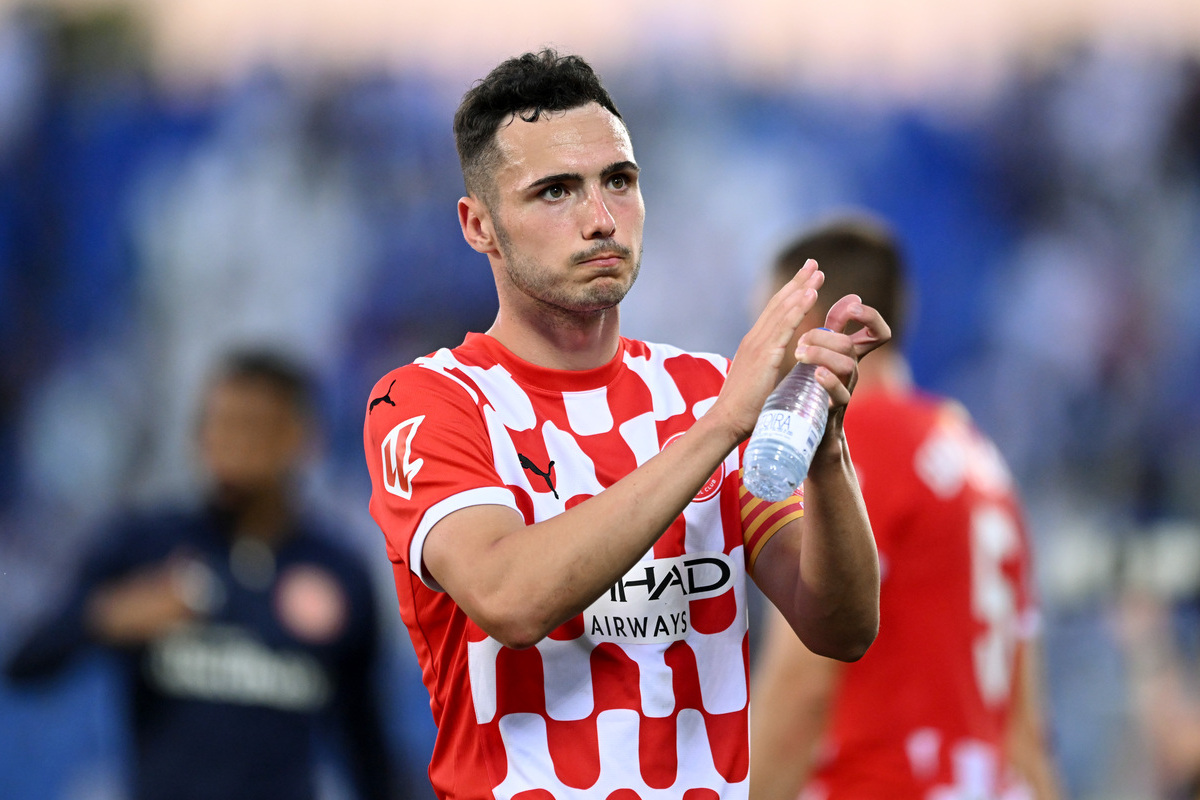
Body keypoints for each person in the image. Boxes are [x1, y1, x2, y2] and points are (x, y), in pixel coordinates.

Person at [361, 49, 889, 799]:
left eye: (619, 180)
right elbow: (511, 599)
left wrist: (825, 448)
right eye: (555, 191)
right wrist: (721, 427)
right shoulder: (426, 401)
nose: (601, 220)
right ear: (479, 226)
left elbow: (842, 628)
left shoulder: (705, 389)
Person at [749, 214, 1063, 800]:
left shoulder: (855, 446)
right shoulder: (978, 458)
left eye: (770, 324)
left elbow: (802, 687)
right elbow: (1024, 726)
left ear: (813, 326)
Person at [5, 349, 403, 800]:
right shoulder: (144, 545)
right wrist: (108, 615)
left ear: (300, 437)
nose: (225, 442)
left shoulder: (339, 571)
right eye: (215, 424)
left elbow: (364, 741)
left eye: (248, 425)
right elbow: (25, 663)